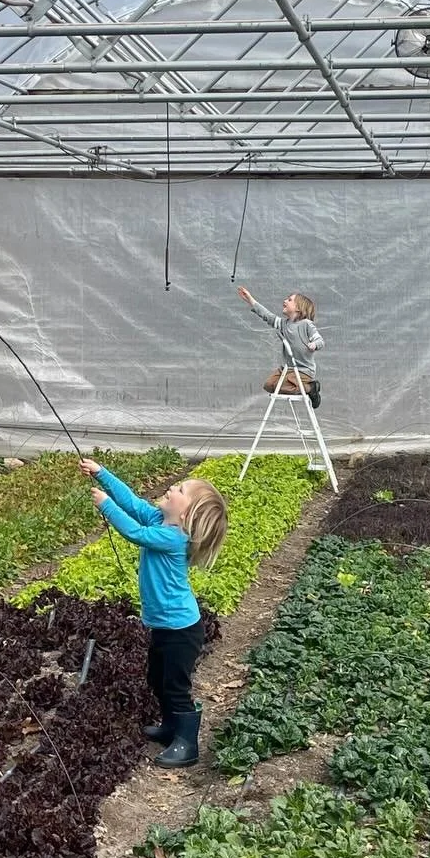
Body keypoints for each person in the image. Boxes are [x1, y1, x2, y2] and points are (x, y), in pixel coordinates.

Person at [77, 458, 228, 768]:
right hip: (165, 626)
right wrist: (103, 475)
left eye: (180, 488)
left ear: (185, 514)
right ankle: (172, 727)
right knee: (157, 678)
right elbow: (132, 503)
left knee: (175, 684)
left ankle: (187, 743)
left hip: (182, 630)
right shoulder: (161, 519)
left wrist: (105, 505)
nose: (172, 487)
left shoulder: (173, 538)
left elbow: (134, 532)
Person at [237, 286, 324, 406]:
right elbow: (267, 316)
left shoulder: (306, 324)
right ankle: (304, 387)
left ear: (298, 308)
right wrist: (250, 300)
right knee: (269, 385)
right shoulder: (284, 324)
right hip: (287, 369)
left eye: (289, 300)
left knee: (282, 387)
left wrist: (314, 344)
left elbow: (319, 340)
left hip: (304, 371)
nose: (285, 301)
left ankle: (310, 388)